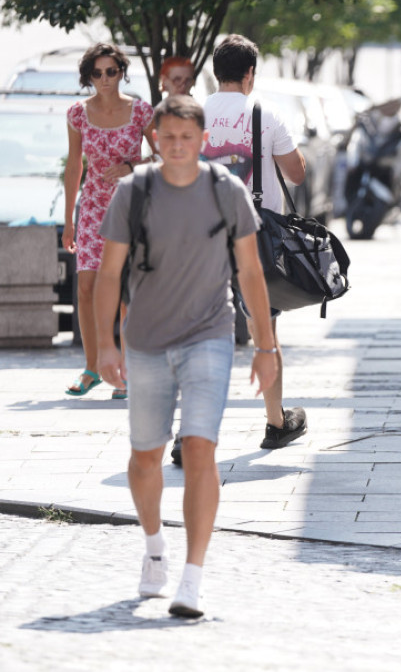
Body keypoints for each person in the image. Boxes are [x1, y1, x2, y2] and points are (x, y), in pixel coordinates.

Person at [93, 95, 277, 618]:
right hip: (147, 339)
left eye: (186, 138)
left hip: (209, 333)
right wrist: (107, 343)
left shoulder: (226, 191)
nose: (176, 146)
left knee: (199, 448)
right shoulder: (134, 193)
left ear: (202, 141)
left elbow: (250, 272)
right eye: (167, 137)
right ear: (155, 138)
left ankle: (192, 577)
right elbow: (109, 274)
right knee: (146, 456)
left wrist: (267, 347)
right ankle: (155, 547)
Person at [201, 34, 308, 452]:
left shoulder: (194, 114)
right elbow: (296, 174)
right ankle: (276, 422)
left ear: (215, 72)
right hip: (256, 235)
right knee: (264, 329)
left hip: (201, 233)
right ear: (250, 73)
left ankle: (188, 434)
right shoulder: (266, 113)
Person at [63, 43, 155, 399]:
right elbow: (74, 167)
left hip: (131, 206)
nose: (104, 79)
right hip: (92, 207)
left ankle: (127, 371)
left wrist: (133, 166)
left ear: (121, 72)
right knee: (86, 286)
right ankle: (92, 368)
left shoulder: (141, 111)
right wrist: (69, 220)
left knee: (124, 292)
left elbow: (163, 151)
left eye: (111, 72)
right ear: (89, 76)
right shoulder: (77, 114)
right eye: (97, 73)